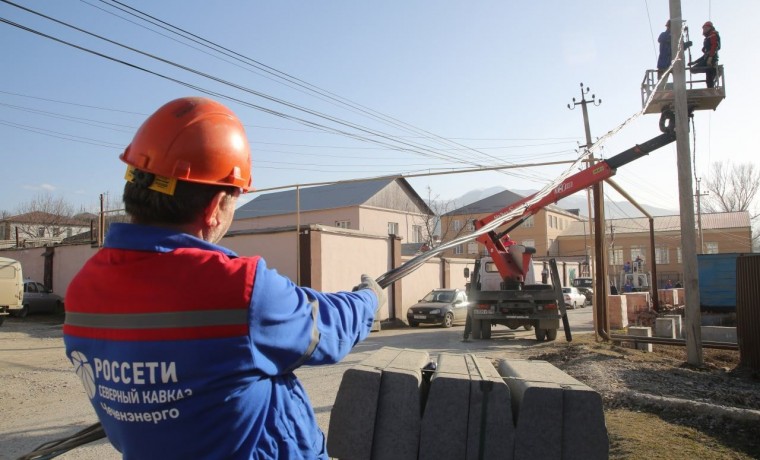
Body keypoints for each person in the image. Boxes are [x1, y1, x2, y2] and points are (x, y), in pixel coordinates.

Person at [62, 97, 385, 459]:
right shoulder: (241, 290)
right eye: (234, 200)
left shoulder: (82, 290)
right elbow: (328, 329)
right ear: (215, 208)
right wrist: (370, 297)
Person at [689, 21, 721, 88]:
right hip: (707, 58)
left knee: (707, 78)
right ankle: (714, 71)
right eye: (703, 28)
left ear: (710, 27)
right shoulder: (708, 37)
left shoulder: (713, 34)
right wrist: (694, 62)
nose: (704, 29)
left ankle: (714, 70)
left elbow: (714, 46)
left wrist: (710, 58)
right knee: (709, 80)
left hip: (711, 59)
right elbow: (705, 55)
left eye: (705, 27)